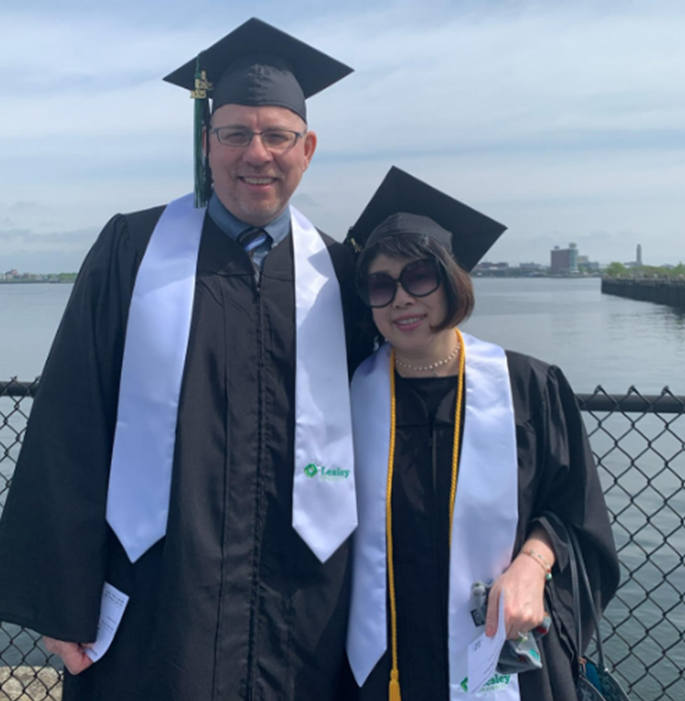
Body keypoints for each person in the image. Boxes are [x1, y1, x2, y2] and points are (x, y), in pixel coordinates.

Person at [0, 18, 370, 701]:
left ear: (307, 148)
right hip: (158, 604)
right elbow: (71, 421)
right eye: (233, 133)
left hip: (304, 609)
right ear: (206, 143)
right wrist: (59, 600)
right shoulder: (132, 251)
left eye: (276, 135)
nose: (254, 154)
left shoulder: (342, 274)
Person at [344, 167, 620, 700]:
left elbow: (575, 514)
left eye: (420, 276)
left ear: (452, 280)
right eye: (382, 284)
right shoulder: (346, 396)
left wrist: (533, 564)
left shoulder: (527, 387)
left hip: (507, 661)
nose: (402, 298)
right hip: (383, 662)